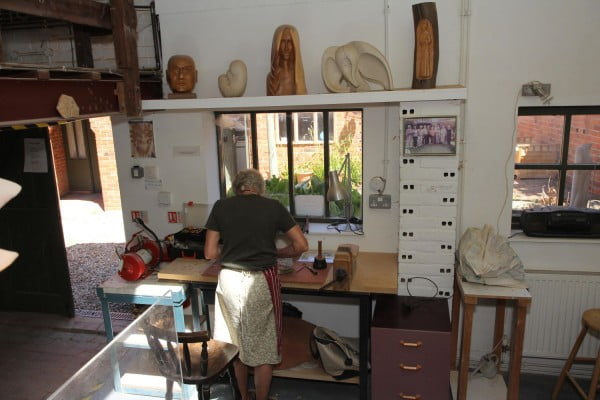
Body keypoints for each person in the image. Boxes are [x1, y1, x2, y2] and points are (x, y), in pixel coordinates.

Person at [204, 169, 308, 400]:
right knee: (263, 349)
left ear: (237, 188)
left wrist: (233, 251)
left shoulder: (221, 206)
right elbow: (301, 245)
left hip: (229, 280)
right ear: (260, 188)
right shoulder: (273, 207)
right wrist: (278, 253)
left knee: (235, 343)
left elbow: (210, 252)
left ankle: (244, 396)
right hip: (259, 282)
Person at [266, 25, 307, 96]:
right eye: (282, 42)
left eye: (290, 42)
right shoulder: (271, 79)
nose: (286, 48)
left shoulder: (298, 78)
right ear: (277, 45)